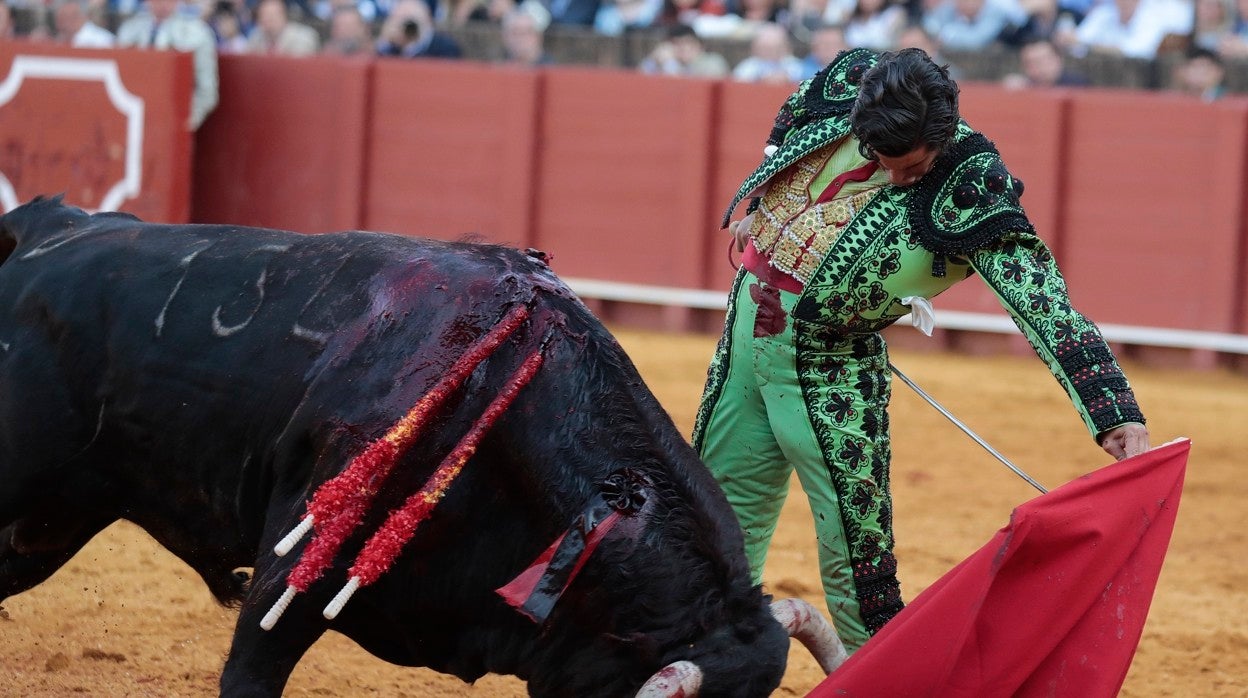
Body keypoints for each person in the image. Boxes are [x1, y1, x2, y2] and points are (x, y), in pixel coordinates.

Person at [693, 47, 1149, 653]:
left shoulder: (972, 184)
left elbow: (1043, 303)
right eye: (884, 159)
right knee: (715, 517)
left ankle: (879, 679)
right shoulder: (853, 79)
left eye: (912, 165)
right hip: (749, 321)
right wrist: (765, 188)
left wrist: (1113, 409)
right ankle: (716, 661)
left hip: (831, 366)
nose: (900, 175)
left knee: (859, 562)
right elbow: (792, 119)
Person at [116, 0, 219, 130]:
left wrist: (185, 123)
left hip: (172, 119)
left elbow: (207, 91)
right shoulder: (129, 30)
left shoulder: (197, 33)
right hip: (133, 119)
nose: (161, 3)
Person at [638, 21, 730, 76]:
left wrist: (671, 65)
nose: (683, 48)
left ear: (700, 45)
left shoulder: (712, 61)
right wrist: (654, 59)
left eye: (688, 43)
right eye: (677, 43)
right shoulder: (664, 60)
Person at [1001, 35, 1089, 87]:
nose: (1037, 68)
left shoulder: (1077, 85)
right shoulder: (1023, 87)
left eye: (1041, 61)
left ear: (1058, 59)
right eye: (1030, 63)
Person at [731, 21, 804, 82]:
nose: (771, 53)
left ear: (785, 48)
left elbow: (803, 79)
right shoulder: (748, 66)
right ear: (755, 49)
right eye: (765, 48)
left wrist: (787, 78)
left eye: (776, 48)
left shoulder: (795, 65)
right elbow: (739, 83)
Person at [246, 0, 321, 55]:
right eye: (263, 16)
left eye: (272, 15)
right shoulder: (256, 37)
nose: (268, 20)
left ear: (284, 16)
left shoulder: (304, 36)